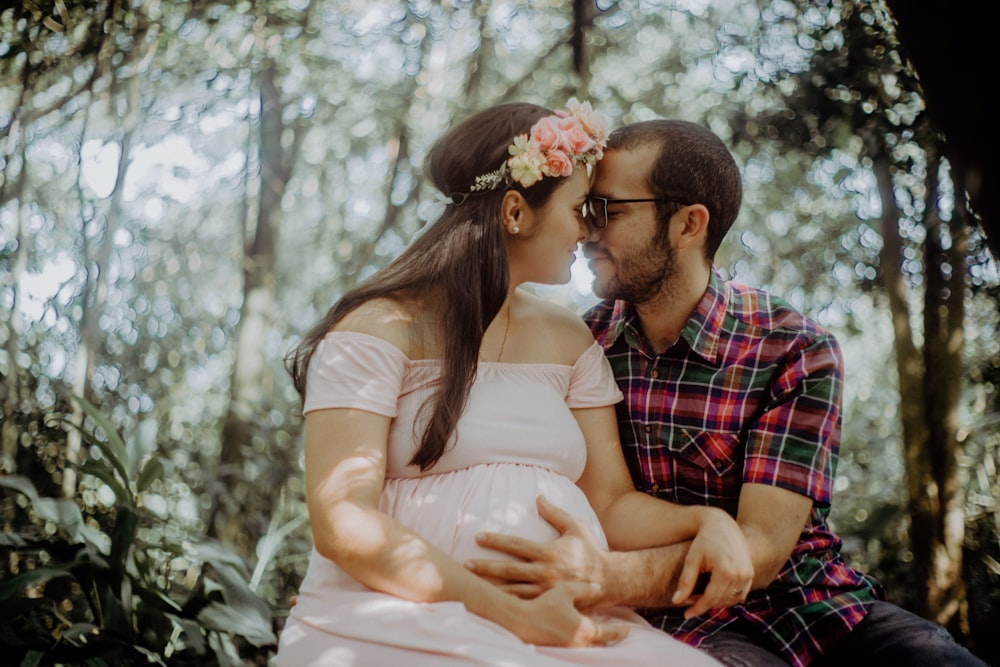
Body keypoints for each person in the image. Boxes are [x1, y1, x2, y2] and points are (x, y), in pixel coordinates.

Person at [466, 119, 991, 667]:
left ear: (688, 224)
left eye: (609, 211)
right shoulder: (580, 345)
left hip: (815, 606)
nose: (587, 232)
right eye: (585, 211)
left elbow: (756, 553)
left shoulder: (794, 348)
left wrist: (601, 576)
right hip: (677, 622)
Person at [272, 101, 745, 666]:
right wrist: (511, 612)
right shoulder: (376, 330)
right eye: (580, 209)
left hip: (568, 619)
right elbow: (343, 521)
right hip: (407, 612)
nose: (589, 230)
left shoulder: (570, 339)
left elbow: (612, 502)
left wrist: (706, 520)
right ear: (516, 212)